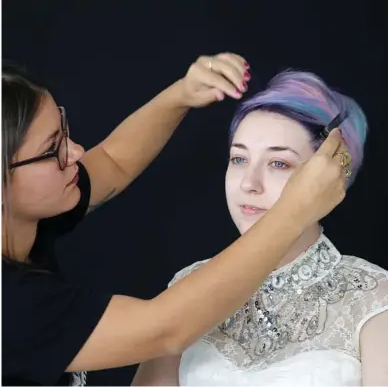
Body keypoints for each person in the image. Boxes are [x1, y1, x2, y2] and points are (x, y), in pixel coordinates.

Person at [2, 53, 348, 387]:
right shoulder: (12, 308)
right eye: (52, 150)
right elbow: (166, 328)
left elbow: (113, 159)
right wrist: (293, 211)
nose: (75, 153)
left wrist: (182, 94)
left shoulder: (34, 207)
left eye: (63, 129)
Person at [132, 70, 388, 386]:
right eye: (239, 159)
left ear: (333, 175)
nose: (249, 184)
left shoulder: (373, 298)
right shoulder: (187, 288)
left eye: (279, 163)